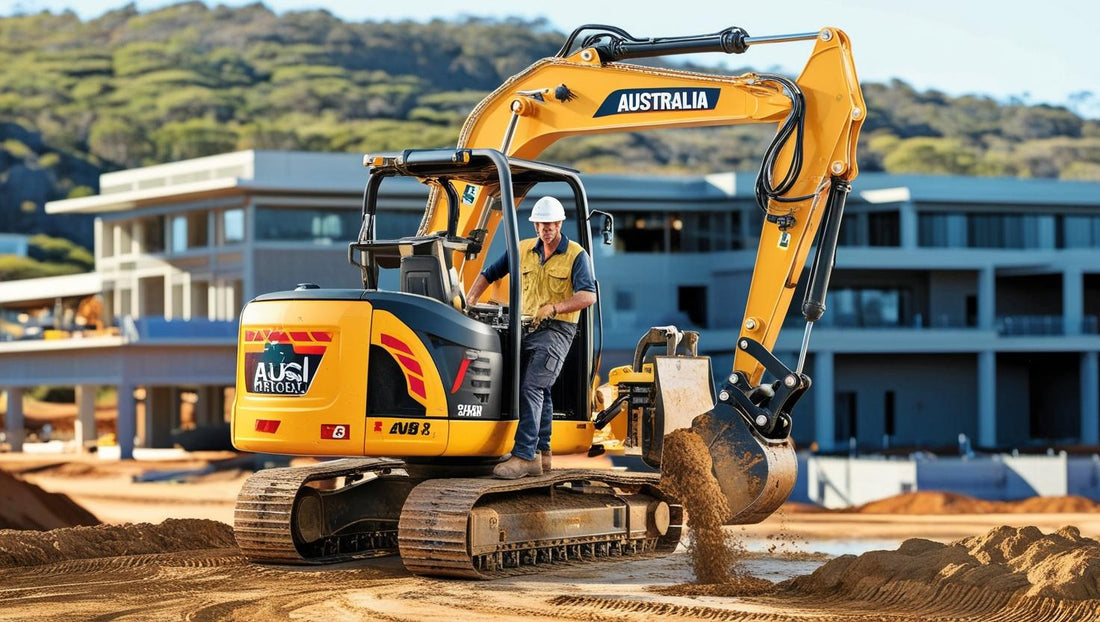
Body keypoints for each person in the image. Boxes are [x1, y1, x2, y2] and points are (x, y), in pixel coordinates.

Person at [466, 196, 597, 479]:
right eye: (540, 224)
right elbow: (489, 273)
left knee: (531, 388)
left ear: (559, 224)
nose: (545, 229)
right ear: (535, 224)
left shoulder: (576, 255)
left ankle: (524, 456)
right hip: (527, 328)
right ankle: (542, 454)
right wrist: (470, 301)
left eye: (550, 224)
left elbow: (588, 296)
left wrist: (555, 308)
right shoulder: (522, 249)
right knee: (541, 391)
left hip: (558, 330)